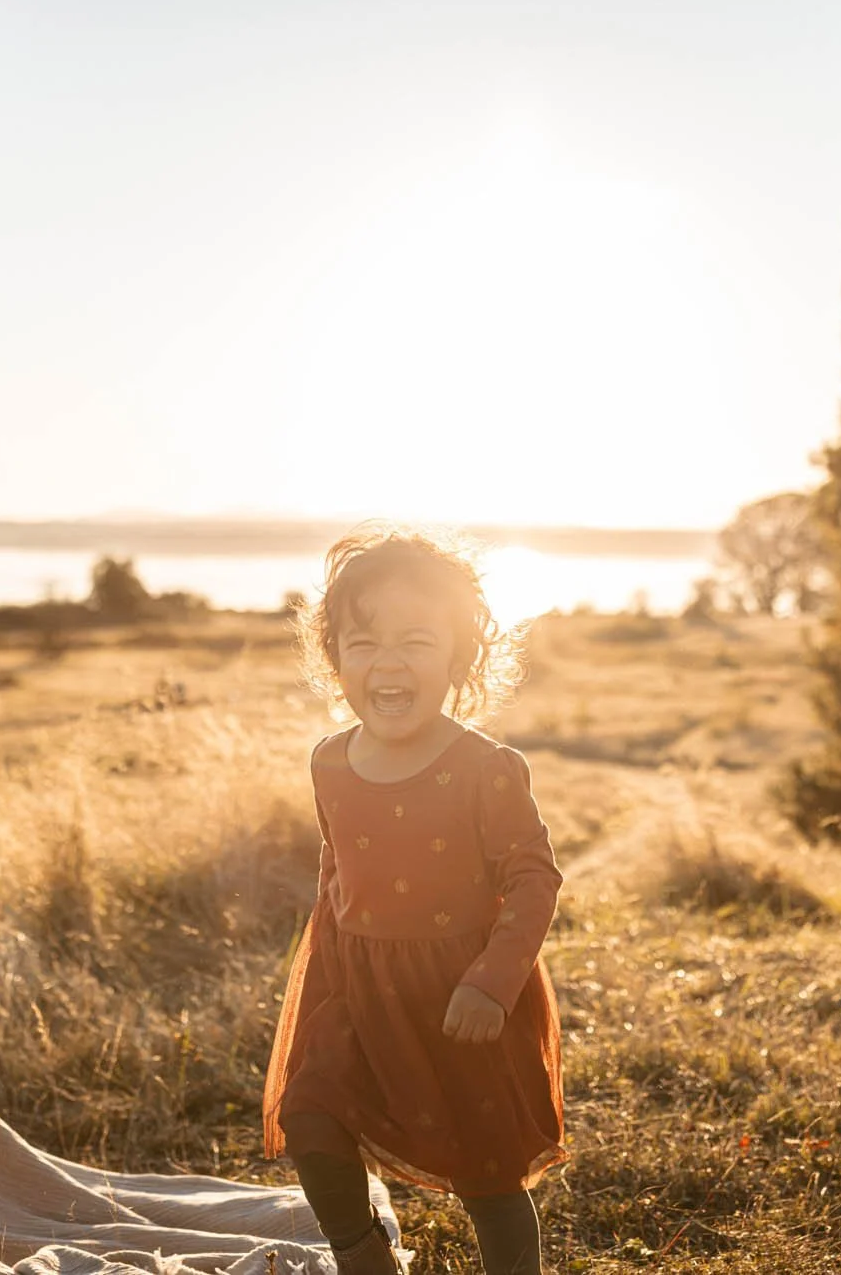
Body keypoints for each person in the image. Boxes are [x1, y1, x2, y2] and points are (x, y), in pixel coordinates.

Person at [262, 527, 567, 1275]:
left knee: (487, 1171)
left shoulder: (486, 769)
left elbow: (534, 878)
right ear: (335, 658)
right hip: (357, 990)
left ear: (458, 656)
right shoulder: (329, 761)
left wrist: (491, 982)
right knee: (310, 1115)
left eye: (416, 642)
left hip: (459, 998)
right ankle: (364, 1258)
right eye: (364, 643)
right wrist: (326, 981)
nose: (389, 663)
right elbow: (337, 869)